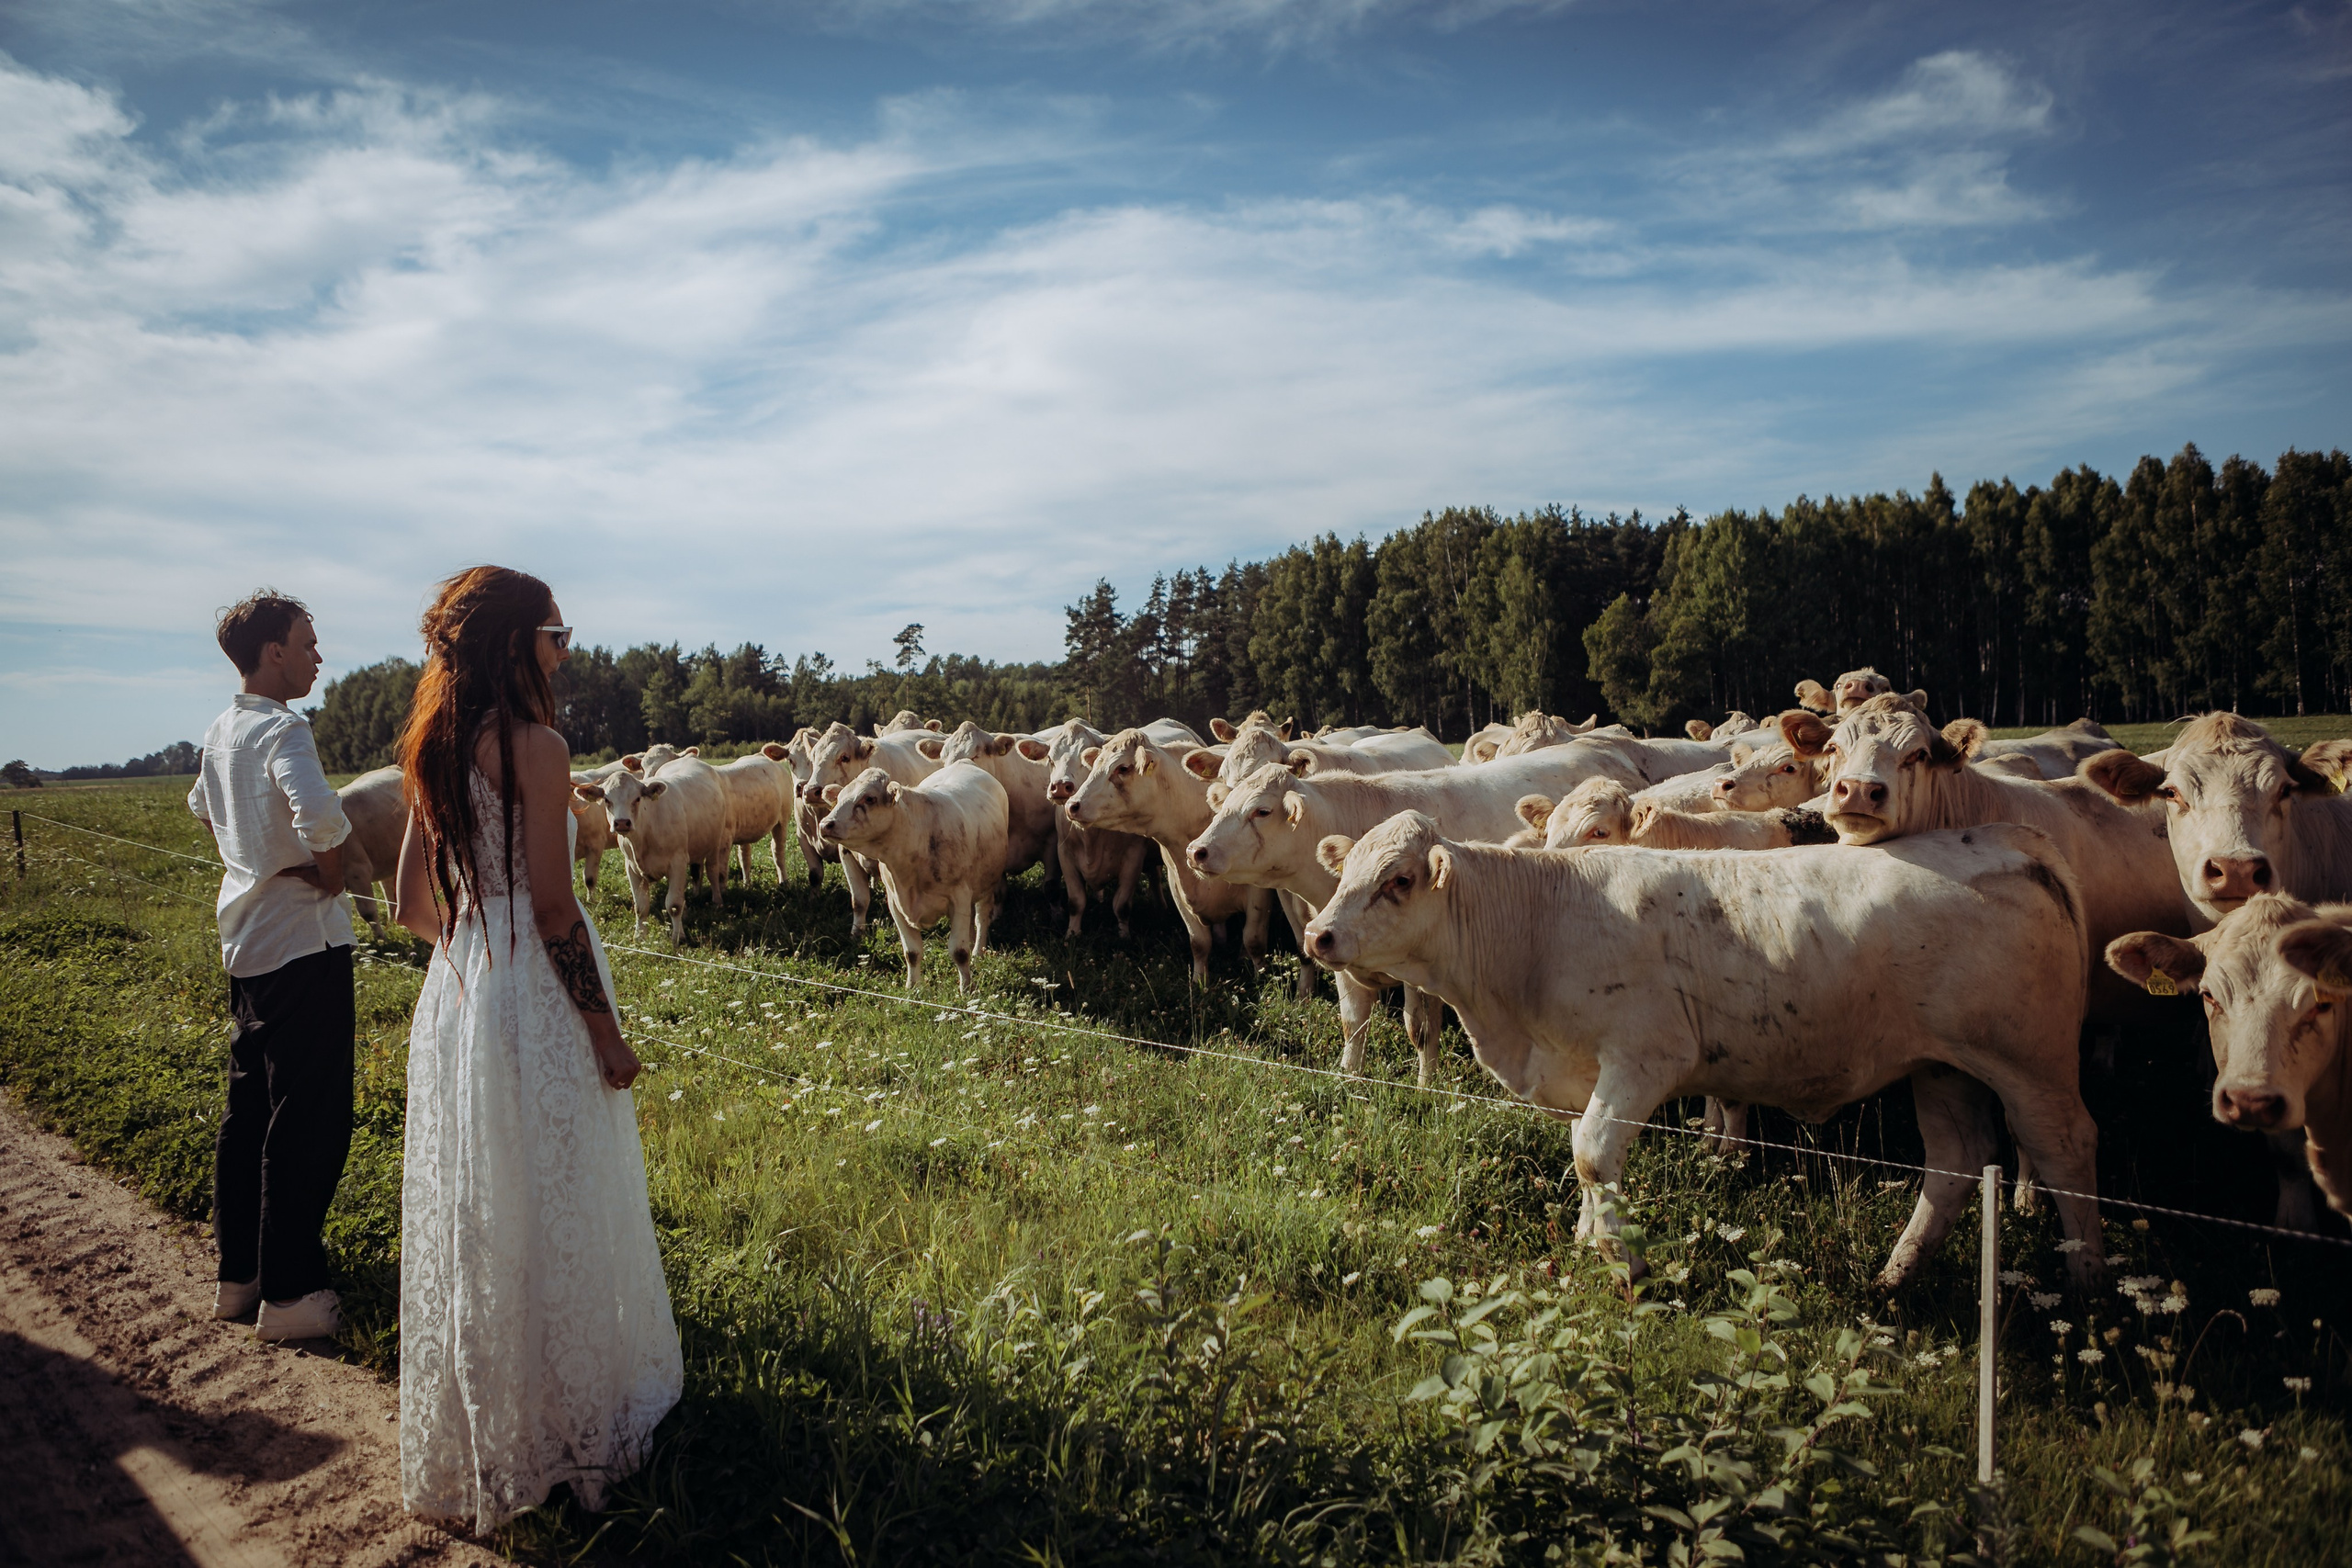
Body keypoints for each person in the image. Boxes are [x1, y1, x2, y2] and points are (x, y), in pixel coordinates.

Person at [390, 565, 682, 1530]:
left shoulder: (430, 750)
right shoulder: (537, 747)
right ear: (518, 642)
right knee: (560, 1193)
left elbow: (409, 908)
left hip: (464, 991)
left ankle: (499, 1430)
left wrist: (478, 959)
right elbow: (556, 907)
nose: (566, 649)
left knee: (489, 1207)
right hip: (537, 993)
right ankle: (574, 1429)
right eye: (556, 633)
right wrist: (606, 1032)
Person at [187, 590, 356, 1343]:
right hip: (301, 942)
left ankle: (238, 1275)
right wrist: (328, 868)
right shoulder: (284, 729)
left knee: (247, 1108)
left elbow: (200, 805)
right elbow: (319, 814)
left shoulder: (221, 730)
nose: (319, 656)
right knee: (308, 1115)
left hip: (245, 944)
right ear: (273, 652)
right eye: (308, 643)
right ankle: (291, 1292)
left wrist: (250, 854)